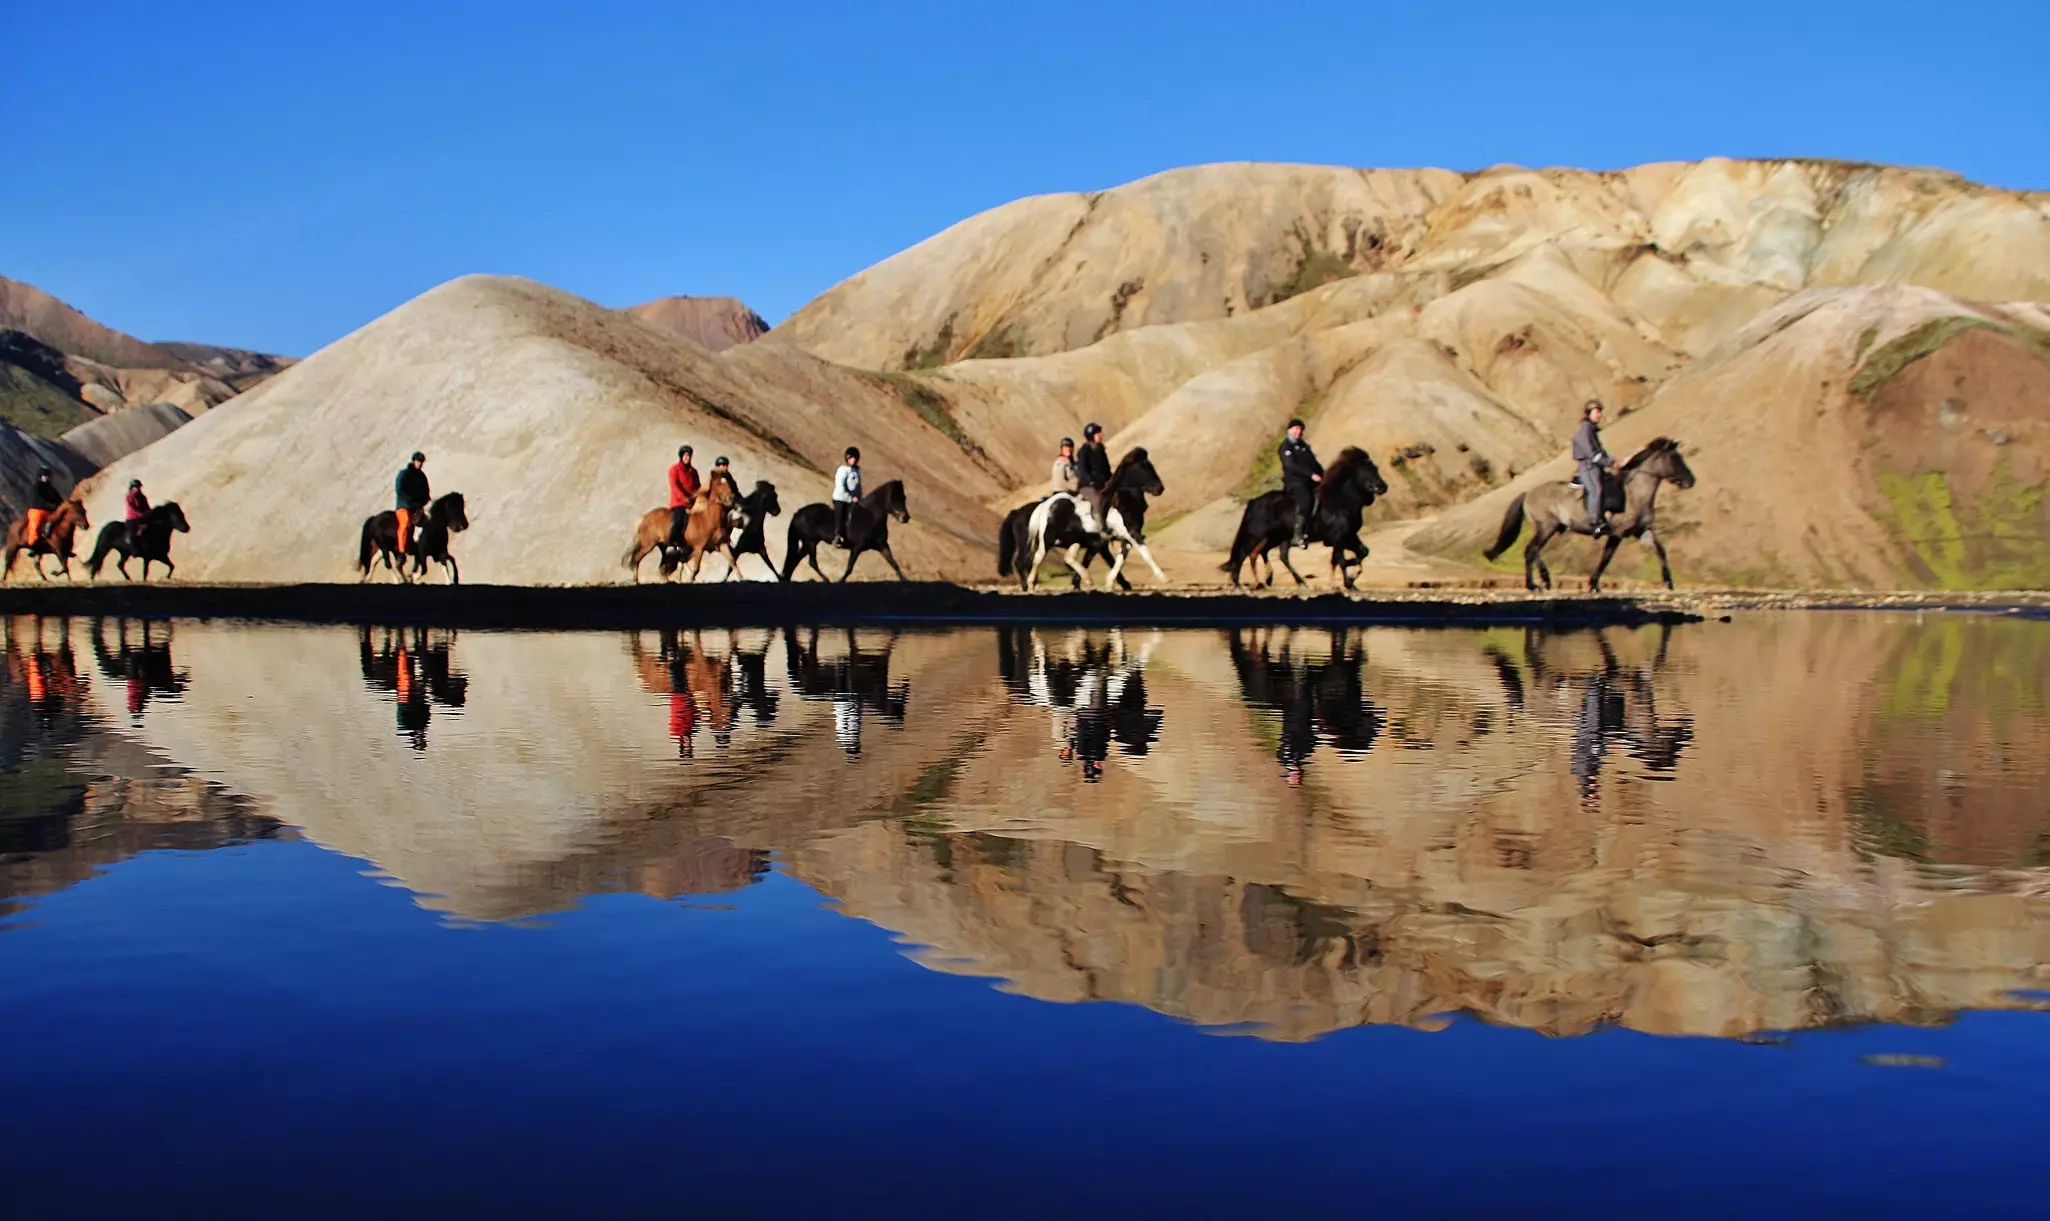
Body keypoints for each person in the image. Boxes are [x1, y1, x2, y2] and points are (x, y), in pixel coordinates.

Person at [1572, 400, 1615, 536]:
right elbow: (1591, 452)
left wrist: (1611, 460)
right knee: (1596, 490)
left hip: (1595, 465)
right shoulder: (1586, 429)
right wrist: (1608, 462)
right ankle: (1595, 522)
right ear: (1589, 413)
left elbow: (1600, 449)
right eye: (1597, 412)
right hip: (1589, 467)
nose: (1600, 415)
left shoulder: (1591, 429)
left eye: (1600, 412)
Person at [1278, 419, 1323, 548]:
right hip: (1295, 481)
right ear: (1289, 430)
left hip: (1308, 480)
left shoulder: (1303, 446)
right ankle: (1296, 535)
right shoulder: (1285, 447)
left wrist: (1324, 475)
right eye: (1295, 429)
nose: (1298, 432)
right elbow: (1290, 464)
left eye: (1300, 429)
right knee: (1305, 500)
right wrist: (1310, 474)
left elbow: (1314, 462)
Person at [666, 444, 702, 557]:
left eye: (689, 456)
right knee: (679, 519)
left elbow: (698, 487)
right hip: (679, 502)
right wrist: (683, 498)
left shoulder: (693, 472)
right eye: (685, 456)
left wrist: (698, 497)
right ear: (681, 456)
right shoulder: (674, 469)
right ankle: (671, 543)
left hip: (692, 503)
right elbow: (674, 486)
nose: (687, 458)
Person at [1075, 423, 1112, 531]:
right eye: (1097, 434)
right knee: (1098, 500)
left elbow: (1106, 469)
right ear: (1091, 436)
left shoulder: (1101, 449)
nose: (1101, 435)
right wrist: (1091, 481)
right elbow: (1082, 470)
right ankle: (1101, 528)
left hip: (1101, 484)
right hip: (1087, 486)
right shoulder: (1084, 451)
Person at [392, 452, 430, 555]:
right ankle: (401, 551)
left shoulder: (422, 477)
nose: (420, 464)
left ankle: (421, 545)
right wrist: (411, 502)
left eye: (422, 462)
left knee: (428, 524)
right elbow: (400, 490)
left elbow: (426, 492)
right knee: (404, 523)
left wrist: (424, 501)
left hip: (417, 508)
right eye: (418, 462)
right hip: (404, 506)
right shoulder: (404, 474)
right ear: (414, 461)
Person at [23, 468, 63, 548]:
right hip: (37, 510)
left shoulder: (52, 489)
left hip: (50, 511)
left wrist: (61, 505)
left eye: (48, 476)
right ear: (40, 477)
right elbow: (37, 499)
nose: (47, 478)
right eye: (45, 476)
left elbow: (59, 499)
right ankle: (33, 545)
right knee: (35, 526)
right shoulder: (36, 487)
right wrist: (48, 505)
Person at [832, 447, 862, 546]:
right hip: (840, 498)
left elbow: (858, 486)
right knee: (841, 517)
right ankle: (836, 536)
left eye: (856, 458)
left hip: (851, 500)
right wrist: (851, 497)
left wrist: (859, 496)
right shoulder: (842, 470)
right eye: (853, 458)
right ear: (847, 458)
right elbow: (840, 485)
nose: (855, 460)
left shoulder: (856, 471)